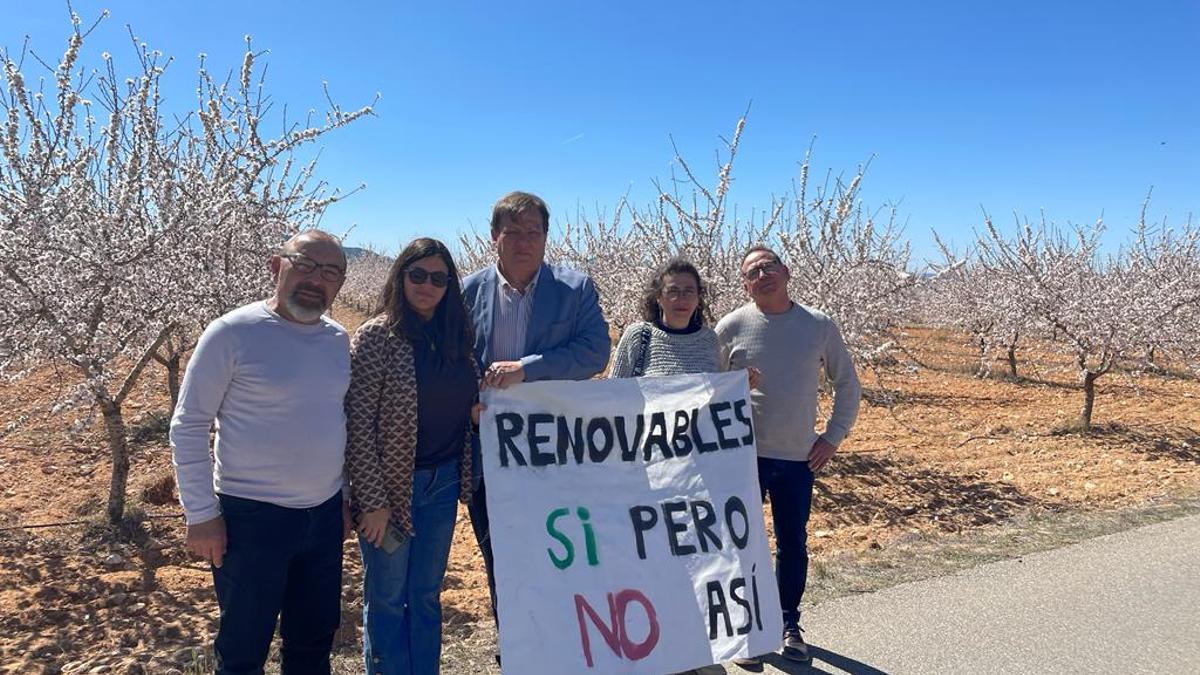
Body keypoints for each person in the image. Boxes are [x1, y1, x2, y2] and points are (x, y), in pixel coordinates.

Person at [170, 229, 352, 674]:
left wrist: (343, 497)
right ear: (277, 266)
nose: (316, 279)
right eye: (305, 265)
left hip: (324, 516)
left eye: (330, 272)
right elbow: (188, 425)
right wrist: (200, 514)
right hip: (250, 519)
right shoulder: (232, 333)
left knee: (312, 645)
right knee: (243, 650)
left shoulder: (337, 339)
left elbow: (336, 419)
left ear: (340, 284)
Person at [461, 190, 611, 632]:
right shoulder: (468, 292)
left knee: (559, 547)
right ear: (494, 237)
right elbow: (453, 360)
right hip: (491, 452)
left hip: (555, 451)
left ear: (546, 237)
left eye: (534, 232)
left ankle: (563, 637)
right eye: (513, 233)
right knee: (498, 553)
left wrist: (527, 370)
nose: (524, 242)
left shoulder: (574, 288)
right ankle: (515, 640)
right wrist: (469, 403)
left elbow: (594, 352)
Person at [715, 245, 862, 666]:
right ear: (745, 285)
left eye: (768, 266)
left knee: (792, 543)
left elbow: (847, 384)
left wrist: (833, 437)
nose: (762, 275)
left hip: (798, 458)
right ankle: (745, 627)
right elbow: (707, 388)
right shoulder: (730, 327)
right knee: (740, 543)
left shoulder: (818, 325)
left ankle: (787, 623)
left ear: (786, 270)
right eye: (752, 272)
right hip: (743, 457)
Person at [610, 259, 757, 675]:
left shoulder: (709, 342)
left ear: (699, 298)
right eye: (672, 291)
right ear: (657, 297)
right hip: (648, 474)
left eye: (688, 291)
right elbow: (611, 396)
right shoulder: (640, 338)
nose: (680, 299)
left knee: (698, 563)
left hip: (698, 475)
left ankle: (700, 650)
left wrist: (739, 389)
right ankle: (661, 651)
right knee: (655, 563)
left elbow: (711, 401)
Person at [343, 237, 479, 675]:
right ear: (400, 276)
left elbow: (466, 399)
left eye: (438, 278)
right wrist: (372, 501)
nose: (427, 285)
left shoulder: (456, 338)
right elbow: (358, 423)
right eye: (417, 274)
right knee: (386, 595)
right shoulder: (377, 337)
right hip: (390, 489)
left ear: (448, 286)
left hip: (440, 485)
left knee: (425, 593)